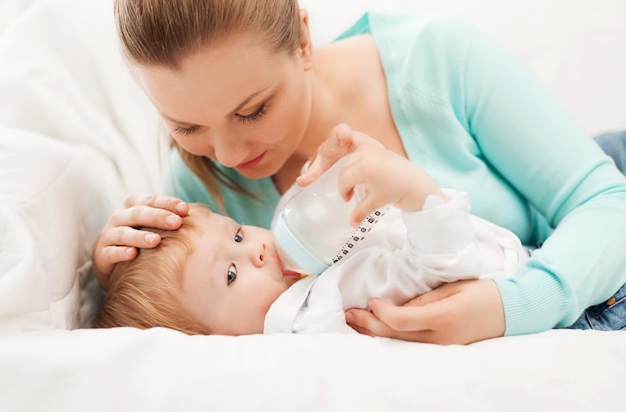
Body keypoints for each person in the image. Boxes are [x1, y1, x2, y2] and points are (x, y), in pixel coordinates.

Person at [93, 0, 626, 344]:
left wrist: (513, 306)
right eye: (186, 125)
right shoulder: (198, 184)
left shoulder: (439, 62)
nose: (228, 154)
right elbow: (177, 301)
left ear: (302, 41)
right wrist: (114, 271)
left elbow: (605, 201)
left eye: (252, 111)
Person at [98, 126, 530, 335]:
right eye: (230, 273)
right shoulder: (321, 307)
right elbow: (436, 271)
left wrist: (330, 177)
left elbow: (314, 216)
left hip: (539, 265)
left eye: (236, 235)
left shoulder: (298, 268)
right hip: (571, 305)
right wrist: (415, 194)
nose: (258, 249)